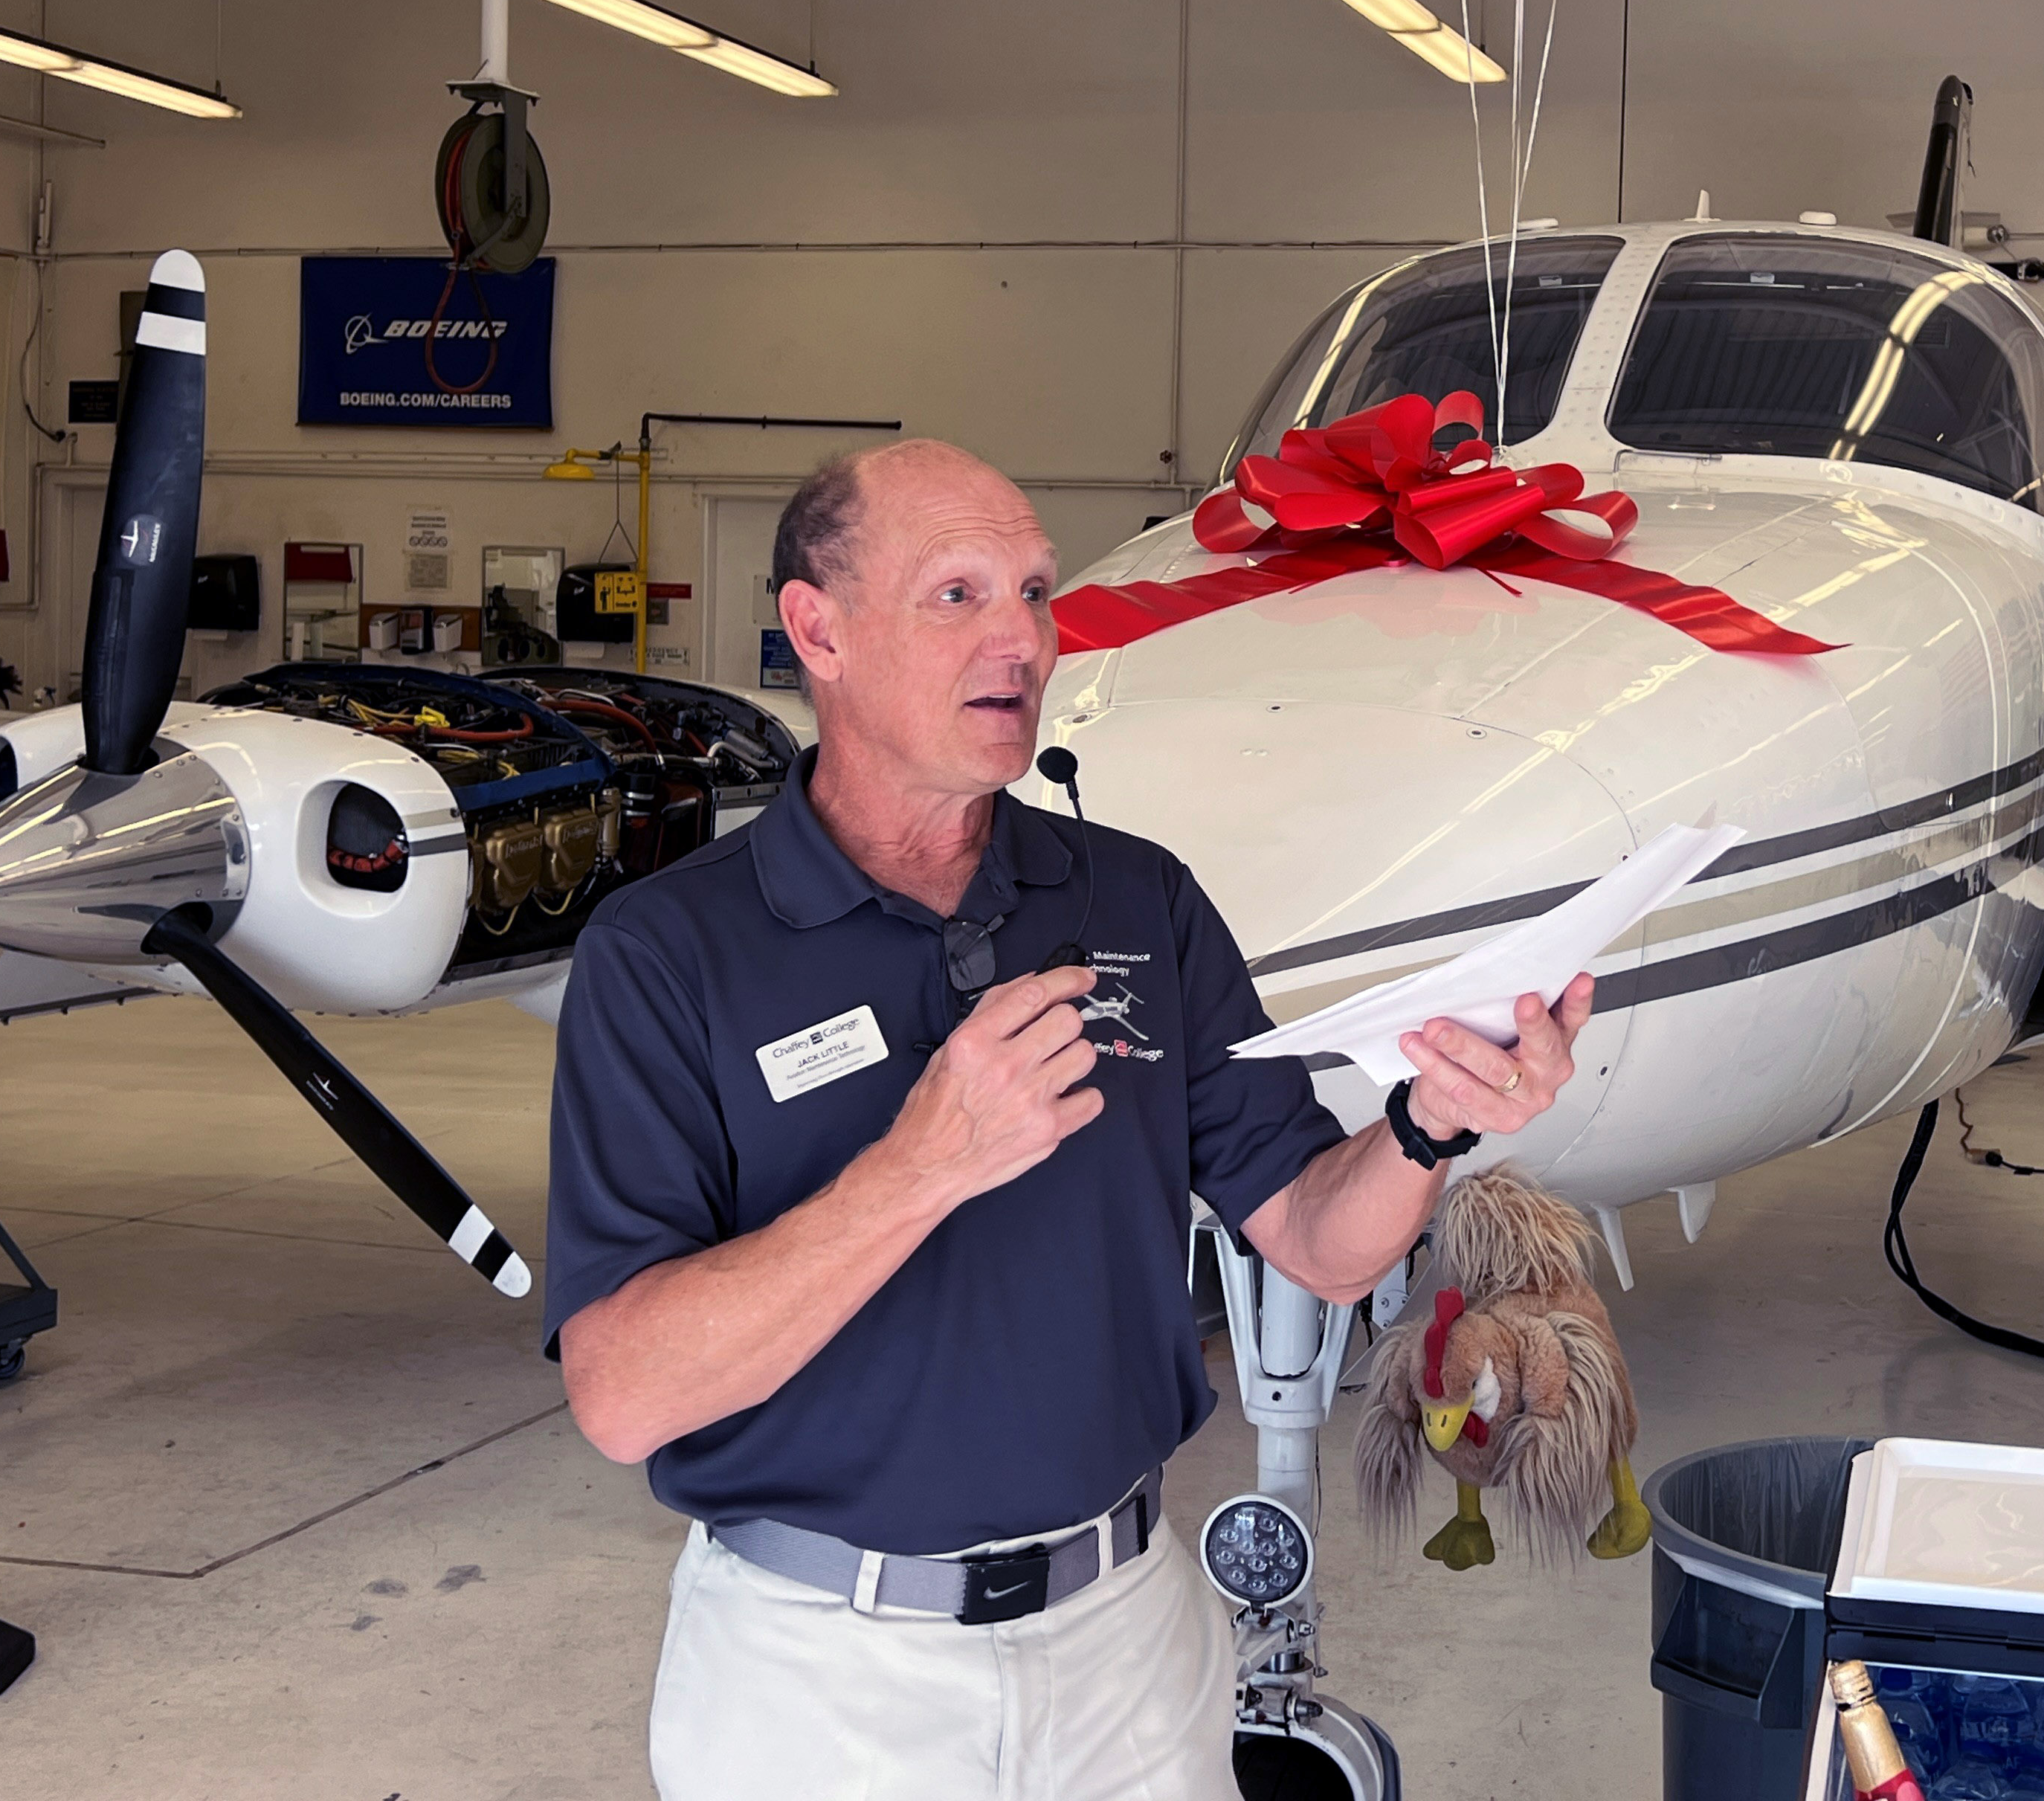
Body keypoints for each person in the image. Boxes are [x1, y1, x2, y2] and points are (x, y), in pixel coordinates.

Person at [544, 439, 1591, 1801]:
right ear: (819, 629)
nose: (1023, 639)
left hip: (1129, 1649)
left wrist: (1427, 1129)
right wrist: (918, 1169)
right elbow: (624, 1395)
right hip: (818, 1682)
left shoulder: (1135, 902)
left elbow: (1322, 1246)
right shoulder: (666, 953)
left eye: (1035, 592)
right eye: (959, 594)